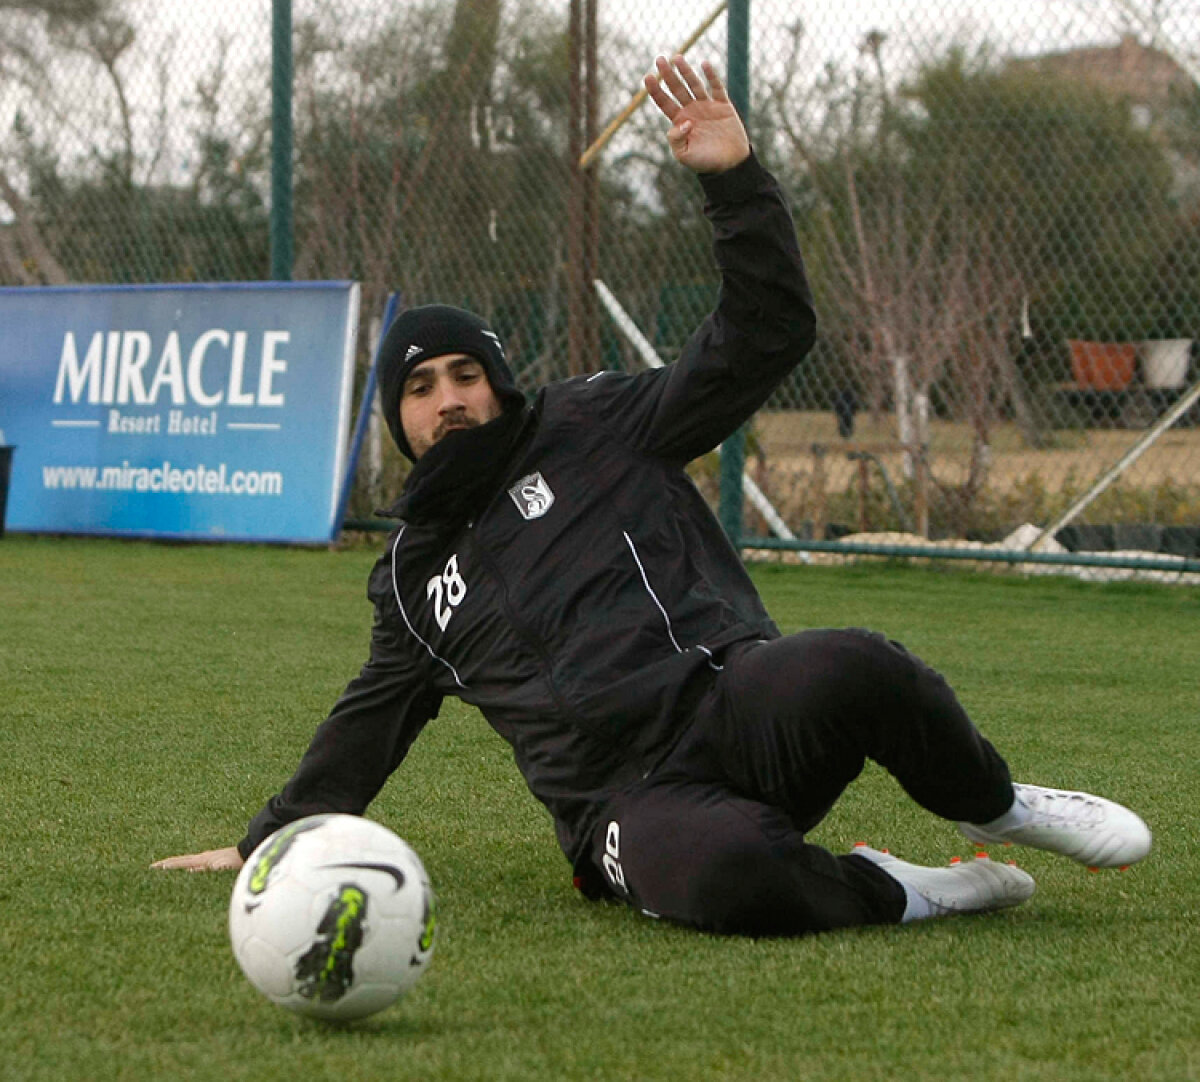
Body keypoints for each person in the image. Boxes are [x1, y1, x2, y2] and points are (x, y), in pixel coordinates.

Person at [154, 55, 1151, 935]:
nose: (449, 399)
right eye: (419, 388)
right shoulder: (413, 578)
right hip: (624, 806)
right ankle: (905, 890)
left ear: (499, 383)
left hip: (737, 705)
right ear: (396, 420)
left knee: (859, 664)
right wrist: (265, 842)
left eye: (465, 374)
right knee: (733, 875)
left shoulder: (592, 422)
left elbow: (763, 336)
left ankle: (1000, 806)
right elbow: (369, 723)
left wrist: (734, 184)